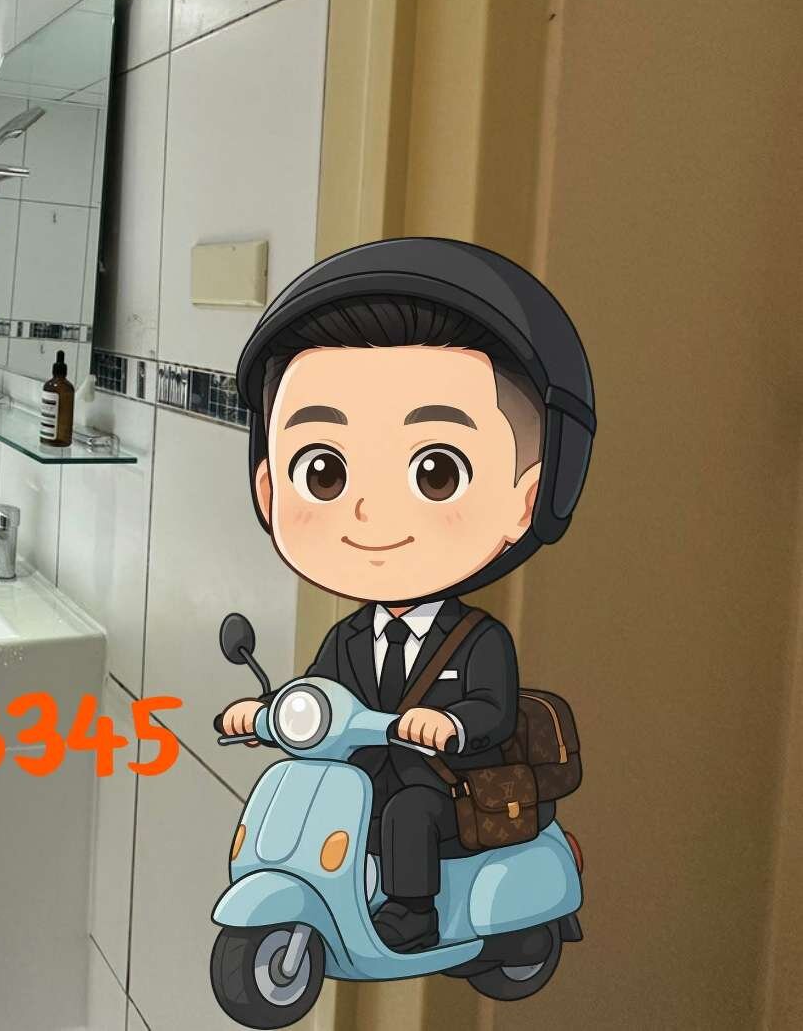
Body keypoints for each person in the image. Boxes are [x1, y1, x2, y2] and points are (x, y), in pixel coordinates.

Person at [221, 238, 595, 953]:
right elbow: (320, 696)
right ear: (268, 488)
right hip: (364, 774)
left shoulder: (480, 640)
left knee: (406, 812)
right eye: (324, 472)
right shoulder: (349, 638)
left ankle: (412, 914)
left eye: (436, 473)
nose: (369, 513)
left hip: (446, 781)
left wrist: (447, 725)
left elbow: (491, 710)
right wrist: (266, 713)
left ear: (530, 497)